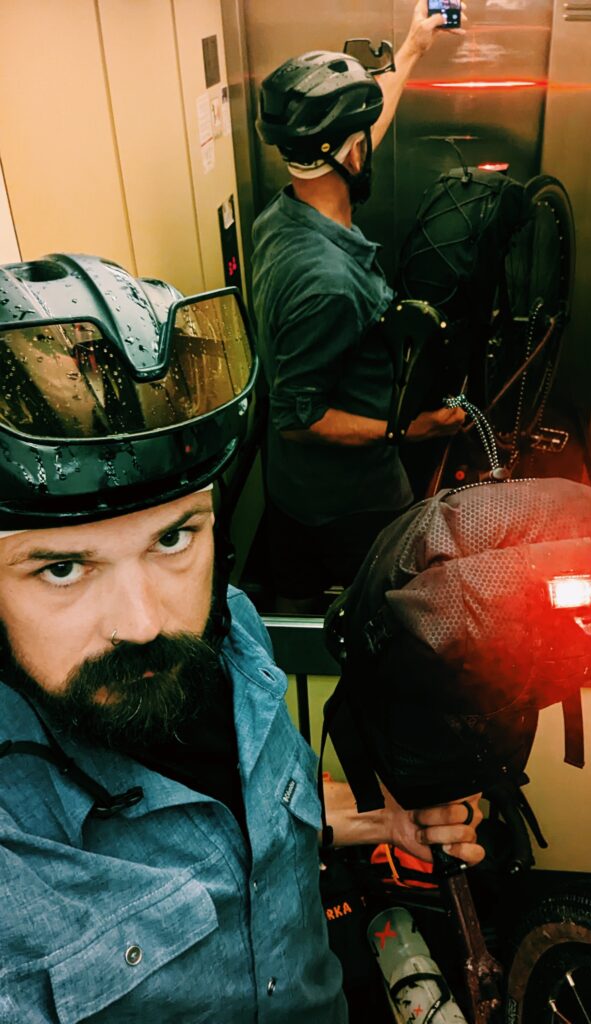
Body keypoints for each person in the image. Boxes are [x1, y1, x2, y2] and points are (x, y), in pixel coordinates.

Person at [0, 255, 483, 1023]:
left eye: (172, 539)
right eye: (61, 567)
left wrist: (380, 819)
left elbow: (255, 823)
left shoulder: (236, 637)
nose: (144, 622)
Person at [251, 1, 467, 610]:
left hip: (296, 493)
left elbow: (361, 132)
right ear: (349, 156)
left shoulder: (285, 213)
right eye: (361, 143)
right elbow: (301, 419)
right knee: (383, 614)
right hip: (349, 502)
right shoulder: (327, 281)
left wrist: (413, 47)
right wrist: (411, 428)